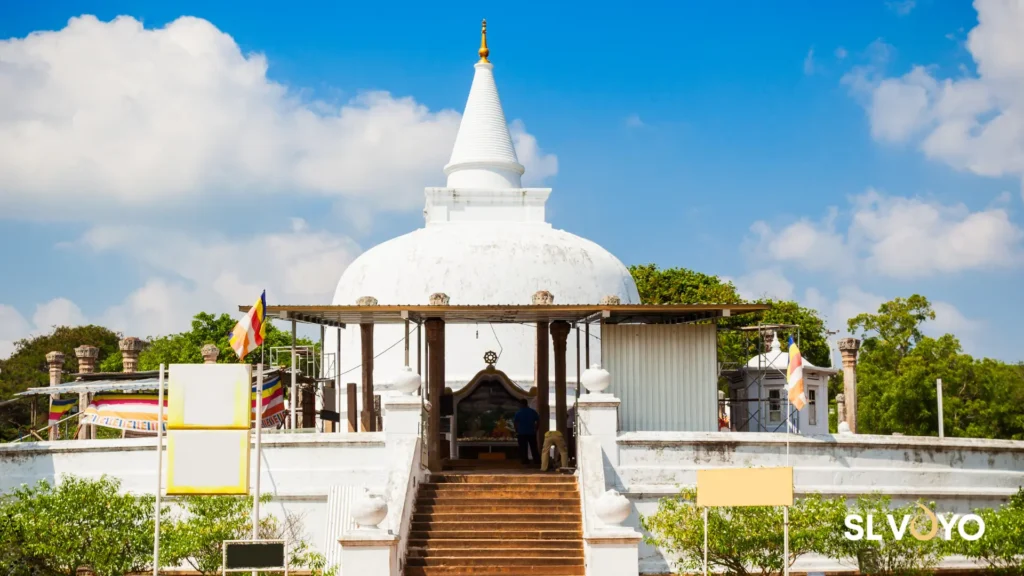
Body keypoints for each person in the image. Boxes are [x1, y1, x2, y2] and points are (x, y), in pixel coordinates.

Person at [513, 398, 540, 466]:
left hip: (522, 433)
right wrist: (536, 428)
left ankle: (525, 461)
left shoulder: (518, 413)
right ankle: (536, 460)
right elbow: (538, 420)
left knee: (523, 448)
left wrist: (516, 430)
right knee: (533, 447)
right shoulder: (532, 412)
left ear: (521, 404)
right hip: (531, 432)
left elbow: (515, 423)